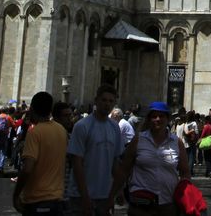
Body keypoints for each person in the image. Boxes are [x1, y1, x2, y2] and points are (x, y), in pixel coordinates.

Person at [115, 101, 190, 216]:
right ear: (149, 119)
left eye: (161, 116)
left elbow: (185, 172)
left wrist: (184, 194)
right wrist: (117, 191)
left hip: (168, 204)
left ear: (168, 119)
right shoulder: (138, 140)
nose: (158, 119)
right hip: (141, 206)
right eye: (154, 116)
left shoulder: (176, 142)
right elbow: (124, 169)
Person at [67, 84, 123, 216]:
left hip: (104, 195)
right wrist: (85, 197)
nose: (107, 104)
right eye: (104, 100)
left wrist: (117, 191)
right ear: (96, 100)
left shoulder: (115, 128)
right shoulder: (82, 126)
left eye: (111, 101)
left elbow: (115, 162)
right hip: (80, 196)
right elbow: (77, 163)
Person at [13, 91, 69, 216]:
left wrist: (16, 194)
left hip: (37, 199)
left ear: (32, 108)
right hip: (57, 199)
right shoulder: (61, 130)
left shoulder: (35, 133)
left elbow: (27, 169)